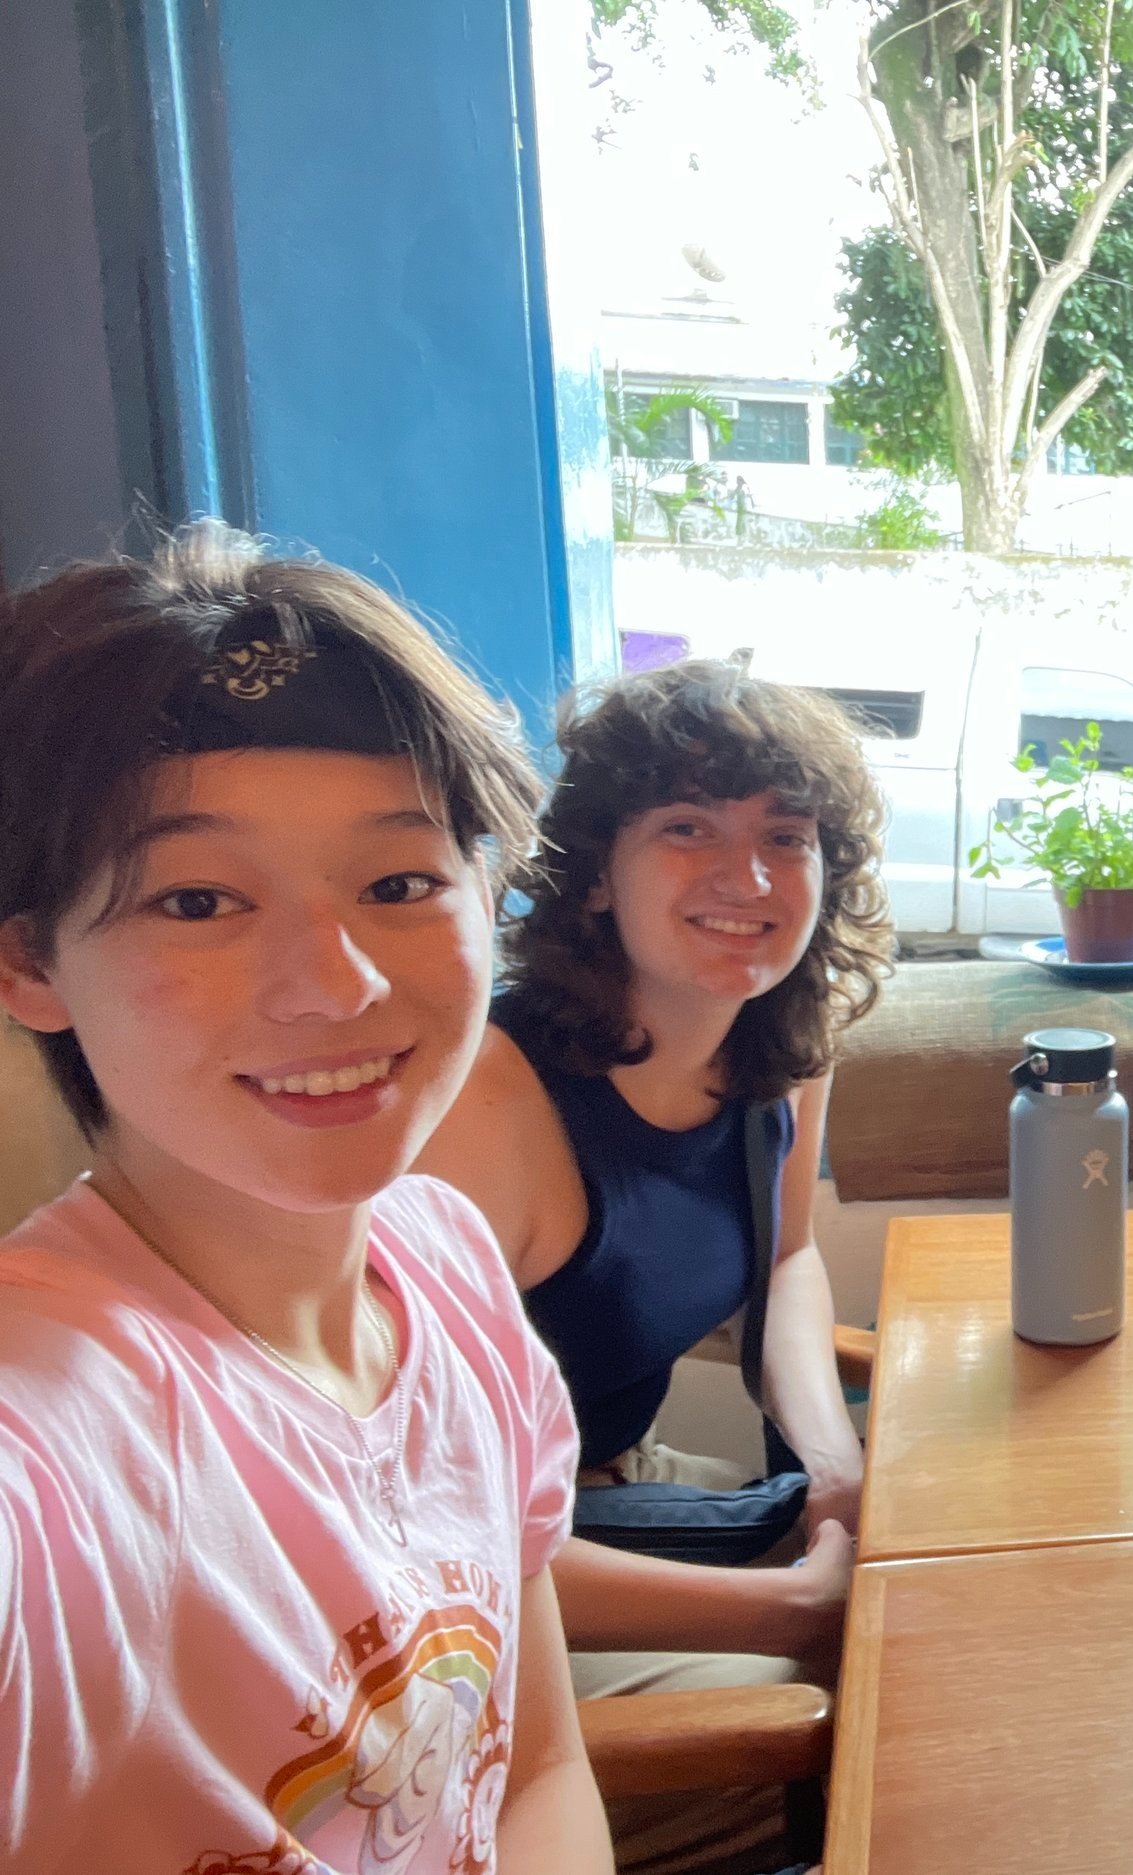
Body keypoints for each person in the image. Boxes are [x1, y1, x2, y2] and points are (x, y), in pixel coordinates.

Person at [0, 526, 610, 1872]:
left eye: (398, 882)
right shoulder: (54, 1428)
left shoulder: (444, 1259)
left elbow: (537, 1770)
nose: (334, 983)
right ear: (31, 964)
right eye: (199, 898)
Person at [417, 659, 890, 1874]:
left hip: (616, 1492)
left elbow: (786, 1264)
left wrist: (829, 1460)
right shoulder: (491, 1105)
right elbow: (424, 1533)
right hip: (469, 1587)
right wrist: (791, 1603)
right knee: (875, 1735)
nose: (747, 878)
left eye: (785, 837)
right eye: (688, 828)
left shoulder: (777, 1040)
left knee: (940, 1610)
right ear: (593, 879)